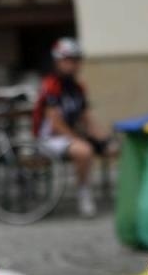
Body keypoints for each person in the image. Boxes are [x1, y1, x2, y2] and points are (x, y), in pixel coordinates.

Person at [33, 37, 110, 218]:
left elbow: (85, 116)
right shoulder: (51, 85)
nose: (73, 65)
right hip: (48, 139)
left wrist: (103, 137)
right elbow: (55, 122)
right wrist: (77, 138)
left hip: (69, 137)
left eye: (76, 60)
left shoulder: (78, 87)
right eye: (68, 60)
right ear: (57, 61)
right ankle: (83, 193)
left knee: (110, 147)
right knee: (84, 151)